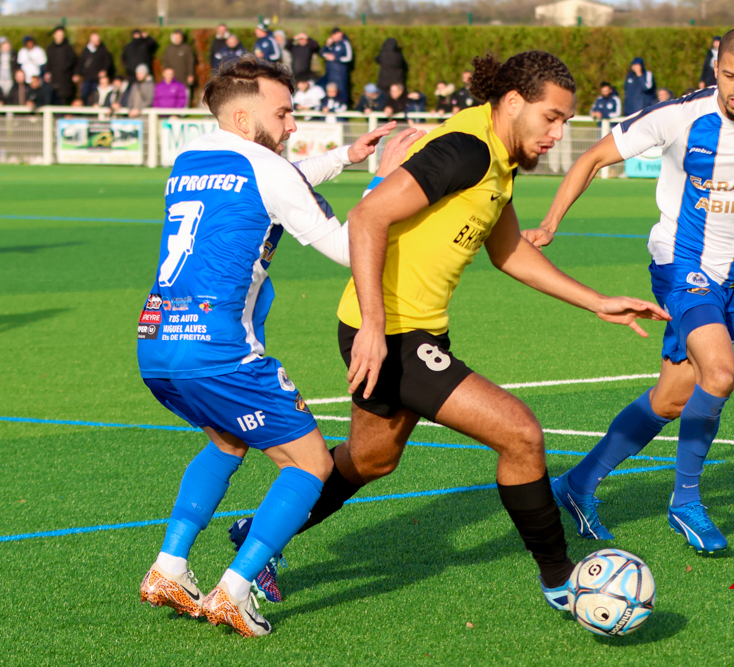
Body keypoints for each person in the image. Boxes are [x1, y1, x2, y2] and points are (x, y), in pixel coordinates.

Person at [227, 50, 668, 610]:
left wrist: (597, 301)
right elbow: (368, 216)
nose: (559, 132)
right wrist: (376, 325)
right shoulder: (467, 148)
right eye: (551, 117)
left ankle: (259, 537)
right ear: (513, 103)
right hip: (389, 335)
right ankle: (563, 582)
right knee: (521, 435)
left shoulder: (498, 158)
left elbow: (507, 251)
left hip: (408, 331)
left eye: (565, 120)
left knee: (372, 459)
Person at [522, 28, 734, 552]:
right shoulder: (678, 116)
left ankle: (577, 483)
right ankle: (685, 501)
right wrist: (549, 224)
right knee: (721, 374)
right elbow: (592, 158)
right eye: (730, 75)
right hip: (679, 263)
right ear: (716, 68)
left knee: (673, 395)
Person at [136, 54, 418, 638]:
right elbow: (349, 248)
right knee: (311, 463)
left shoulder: (192, 157)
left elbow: (272, 182)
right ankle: (235, 591)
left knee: (227, 438)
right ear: (244, 119)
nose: (293, 124)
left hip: (159, 341)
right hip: (219, 349)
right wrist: (382, 182)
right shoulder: (268, 170)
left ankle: (169, 566)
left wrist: (343, 157)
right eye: (284, 113)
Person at [74, 33, 114, 105]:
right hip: (87, 78)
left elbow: (107, 62)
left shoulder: (103, 50)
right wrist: (77, 73)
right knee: (84, 95)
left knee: (96, 96)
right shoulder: (86, 50)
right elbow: (80, 63)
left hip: (97, 79)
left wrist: (104, 70)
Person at [320, 28, 353, 105]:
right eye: (332, 35)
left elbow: (348, 58)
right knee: (330, 92)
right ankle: (331, 108)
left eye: (335, 34)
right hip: (330, 75)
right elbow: (322, 53)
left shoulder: (345, 43)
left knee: (341, 92)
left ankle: (342, 110)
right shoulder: (332, 45)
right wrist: (327, 45)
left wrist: (336, 58)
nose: (333, 36)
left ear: (340, 34)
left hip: (340, 75)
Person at [46, 26, 76, 104]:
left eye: (62, 35)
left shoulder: (68, 48)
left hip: (65, 82)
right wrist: (47, 72)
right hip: (54, 80)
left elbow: (74, 62)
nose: (60, 37)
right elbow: (49, 62)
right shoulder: (50, 48)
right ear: (54, 35)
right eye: (58, 35)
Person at [162, 30, 197, 98]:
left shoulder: (186, 48)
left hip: (183, 78)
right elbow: (165, 62)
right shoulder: (169, 49)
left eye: (179, 37)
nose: (177, 39)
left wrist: (190, 74)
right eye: (176, 37)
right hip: (172, 79)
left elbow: (191, 62)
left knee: (184, 96)